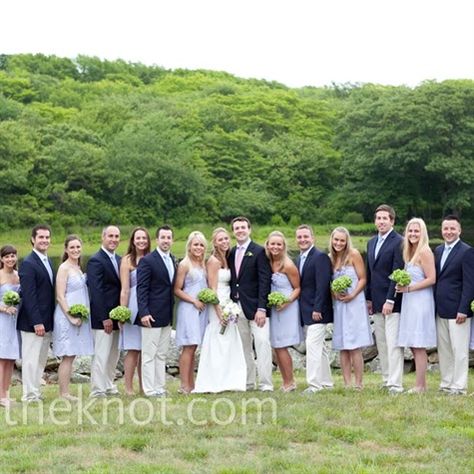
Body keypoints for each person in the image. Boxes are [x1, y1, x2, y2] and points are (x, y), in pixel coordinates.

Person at [194, 227, 247, 393]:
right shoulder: (213, 261)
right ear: (214, 243)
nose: (224, 242)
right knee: (218, 339)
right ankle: (214, 380)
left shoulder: (227, 258)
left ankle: (230, 380)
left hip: (229, 304)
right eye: (220, 240)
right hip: (218, 305)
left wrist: (231, 307)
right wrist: (219, 311)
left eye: (226, 239)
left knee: (229, 341)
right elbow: (213, 289)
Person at [229, 216, 273, 392]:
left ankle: (265, 383)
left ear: (249, 230)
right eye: (237, 228)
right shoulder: (231, 252)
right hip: (236, 308)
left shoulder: (259, 251)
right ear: (233, 231)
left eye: (243, 227)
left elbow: (265, 281)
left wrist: (262, 308)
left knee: (262, 344)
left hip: (257, 308)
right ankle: (247, 383)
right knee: (244, 346)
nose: (240, 230)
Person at [366, 204, 405, 394]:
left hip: (393, 302)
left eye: (384, 218)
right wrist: (368, 298)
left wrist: (391, 299)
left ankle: (396, 383)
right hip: (376, 299)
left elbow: (398, 272)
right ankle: (386, 378)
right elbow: (370, 272)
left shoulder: (399, 242)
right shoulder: (371, 242)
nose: (381, 221)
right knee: (381, 341)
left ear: (392, 221)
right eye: (378, 218)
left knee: (393, 342)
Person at [434, 215, 474, 395]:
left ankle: (459, 386)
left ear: (459, 230)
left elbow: (470, 283)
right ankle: (446, 383)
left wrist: (463, 309)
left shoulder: (467, 251)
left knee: (459, 350)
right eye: (446, 229)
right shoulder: (438, 250)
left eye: (452, 229)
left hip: (458, 310)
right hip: (440, 308)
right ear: (442, 230)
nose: (448, 232)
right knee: (444, 350)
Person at [329, 227, 373, 390]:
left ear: (346, 241)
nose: (339, 243)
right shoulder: (331, 259)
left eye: (342, 240)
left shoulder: (353, 254)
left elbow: (362, 279)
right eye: (336, 240)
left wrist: (353, 294)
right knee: (343, 345)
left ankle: (358, 383)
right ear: (332, 240)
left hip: (354, 303)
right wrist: (334, 292)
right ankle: (347, 383)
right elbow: (330, 283)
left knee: (354, 345)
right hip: (340, 305)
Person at [396, 218, 436, 393]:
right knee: (413, 344)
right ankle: (421, 385)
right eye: (410, 231)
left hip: (420, 301)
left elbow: (431, 279)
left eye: (416, 231)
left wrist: (409, 288)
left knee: (418, 345)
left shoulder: (425, 252)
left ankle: (420, 386)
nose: (413, 234)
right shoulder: (409, 252)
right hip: (410, 301)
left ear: (423, 233)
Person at [52, 235, 93, 400]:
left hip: (78, 316)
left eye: (78, 247)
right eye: (72, 247)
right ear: (66, 249)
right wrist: (70, 317)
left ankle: (66, 391)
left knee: (72, 354)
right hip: (66, 316)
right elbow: (60, 296)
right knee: (67, 355)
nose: (75, 250)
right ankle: (64, 393)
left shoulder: (78, 267)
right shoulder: (64, 268)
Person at [17, 225, 55, 402]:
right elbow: (29, 296)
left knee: (40, 360)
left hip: (47, 320)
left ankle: (35, 391)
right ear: (33, 239)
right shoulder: (28, 263)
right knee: (30, 359)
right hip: (32, 322)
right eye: (41, 237)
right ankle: (28, 394)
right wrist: (37, 322)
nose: (45, 240)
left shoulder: (48, 262)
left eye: (47, 237)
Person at [137, 225, 175, 397]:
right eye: (163, 237)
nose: (166, 241)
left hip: (167, 314)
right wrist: (144, 312)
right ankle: (149, 389)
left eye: (168, 238)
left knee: (161, 354)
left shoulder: (173, 259)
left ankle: (160, 387)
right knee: (149, 354)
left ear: (172, 240)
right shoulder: (147, 261)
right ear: (157, 240)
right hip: (151, 314)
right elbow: (142, 289)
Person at [296, 224, 334, 393]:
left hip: (318, 310)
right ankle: (326, 382)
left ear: (313, 238)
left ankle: (314, 385)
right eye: (299, 237)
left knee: (312, 345)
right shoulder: (299, 258)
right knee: (321, 349)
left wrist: (317, 308)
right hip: (305, 309)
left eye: (306, 236)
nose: (302, 240)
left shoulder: (320, 257)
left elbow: (323, 285)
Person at [87, 225, 121, 398]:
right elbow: (96, 292)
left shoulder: (120, 259)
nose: (113, 239)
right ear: (103, 237)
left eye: (116, 236)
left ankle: (108, 384)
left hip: (118, 317)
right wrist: (104, 317)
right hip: (103, 318)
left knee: (113, 354)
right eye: (110, 236)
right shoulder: (96, 260)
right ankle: (97, 389)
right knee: (101, 354)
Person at [265, 231, 301, 392]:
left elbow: (297, 288)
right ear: (267, 245)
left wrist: (286, 302)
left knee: (281, 345)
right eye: (272, 244)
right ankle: (286, 381)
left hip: (287, 308)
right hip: (274, 308)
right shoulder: (267, 262)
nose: (275, 247)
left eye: (279, 244)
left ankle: (290, 382)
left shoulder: (288, 265)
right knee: (276, 345)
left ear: (284, 246)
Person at [174, 231, 208, 393]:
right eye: (195, 244)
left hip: (201, 310)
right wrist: (193, 300)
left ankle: (192, 384)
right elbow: (177, 289)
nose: (198, 247)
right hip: (189, 309)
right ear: (189, 246)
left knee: (194, 347)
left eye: (201, 245)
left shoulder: (204, 264)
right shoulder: (184, 264)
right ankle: (184, 385)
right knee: (188, 347)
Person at [119, 227, 151, 395]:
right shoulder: (127, 260)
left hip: (149, 306)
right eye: (138, 238)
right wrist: (123, 312)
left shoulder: (152, 258)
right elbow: (124, 289)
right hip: (133, 305)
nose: (141, 241)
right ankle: (128, 387)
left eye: (144, 238)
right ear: (132, 240)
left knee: (146, 349)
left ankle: (144, 386)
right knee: (133, 349)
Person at [0, 245, 21, 408]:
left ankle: (6, 392)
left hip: (16, 320)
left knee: (11, 358)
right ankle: (0, 396)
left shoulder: (17, 275)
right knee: (2, 358)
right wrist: (5, 308)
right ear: (1, 259)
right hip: (3, 319)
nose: (10, 259)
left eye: (13, 256)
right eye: (7, 256)